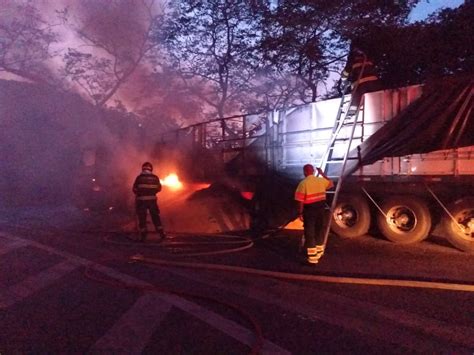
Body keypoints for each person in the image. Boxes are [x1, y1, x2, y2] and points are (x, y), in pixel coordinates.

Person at [294, 164, 334, 264]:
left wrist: (300, 213)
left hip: (310, 211)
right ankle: (319, 252)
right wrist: (322, 174)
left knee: (309, 233)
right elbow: (331, 183)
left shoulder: (303, 183)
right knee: (319, 230)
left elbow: (300, 201)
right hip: (321, 209)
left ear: (305, 172)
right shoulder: (321, 181)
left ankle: (312, 258)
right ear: (313, 171)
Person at [132, 162, 166, 241]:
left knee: (142, 218)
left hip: (141, 201)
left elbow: (134, 189)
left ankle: (143, 235)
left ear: (143, 168)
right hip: (152, 201)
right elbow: (159, 189)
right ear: (151, 168)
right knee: (155, 216)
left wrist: (140, 193)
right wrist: (152, 192)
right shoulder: (155, 178)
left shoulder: (139, 178)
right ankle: (161, 233)